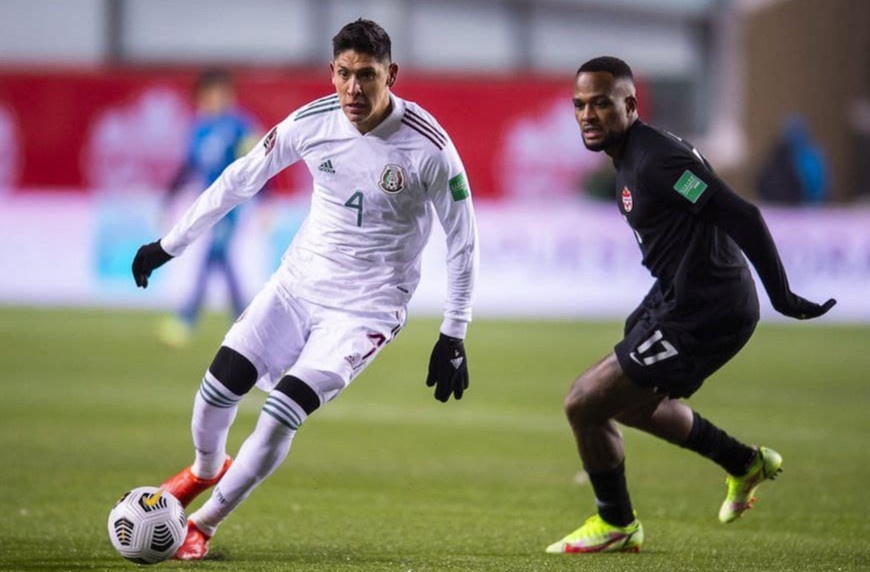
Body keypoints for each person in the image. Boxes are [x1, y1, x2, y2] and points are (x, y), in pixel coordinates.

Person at [131, 19, 478, 560]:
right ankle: (205, 469)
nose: (353, 89)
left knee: (280, 413)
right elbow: (240, 178)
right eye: (344, 74)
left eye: (367, 75)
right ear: (332, 71)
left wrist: (453, 333)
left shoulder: (429, 147)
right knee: (215, 391)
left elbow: (463, 240)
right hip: (296, 285)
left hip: (366, 310)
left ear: (391, 74)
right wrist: (169, 244)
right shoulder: (312, 122)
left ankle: (201, 524)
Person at [546, 57, 835, 554]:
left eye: (601, 103)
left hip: (708, 309)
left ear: (630, 105)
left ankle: (616, 524)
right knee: (628, 404)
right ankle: (744, 462)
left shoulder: (658, 161)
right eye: (579, 105)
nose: (587, 115)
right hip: (679, 297)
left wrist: (782, 295)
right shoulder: (630, 156)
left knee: (584, 403)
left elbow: (740, 214)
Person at [159, 69, 258, 347]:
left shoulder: (240, 126)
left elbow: (260, 162)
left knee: (214, 255)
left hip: (233, 204)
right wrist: (168, 198)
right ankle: (246, 320)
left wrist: (267, 200)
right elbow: (188, 167)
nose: (212, 99)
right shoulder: (199, 128)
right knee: (221, 260)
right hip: (208, 205)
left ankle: (186, 318)